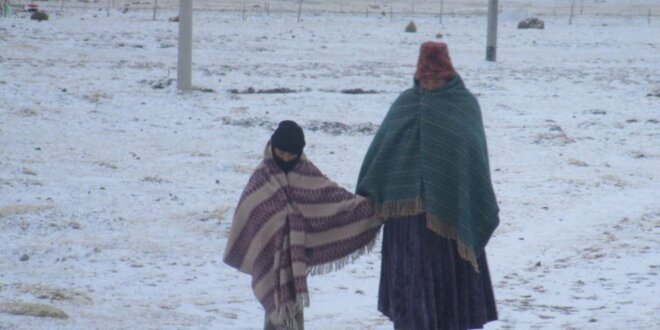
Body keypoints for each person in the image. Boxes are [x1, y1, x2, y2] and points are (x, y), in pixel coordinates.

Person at [356, 42, 500, 330]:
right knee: (412, 291)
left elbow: (473, 161)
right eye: (426, 78)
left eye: (436, 77)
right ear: (418, 76)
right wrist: (371, 191)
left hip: (450, 221)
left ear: (448, 75)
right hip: (407, 224)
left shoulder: (464, 105)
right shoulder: (405, 104)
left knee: (447, 295)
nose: (430, 84)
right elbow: (381, 152)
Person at [224, 120, 381, 330]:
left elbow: (332, 199)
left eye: (292, 154)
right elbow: (249, 211)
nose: (286, 158)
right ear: (273, 147)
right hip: (269, 256)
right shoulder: (261, 176)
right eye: (282, 152)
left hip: (296, 259)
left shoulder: (307, 172)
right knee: (275, 309)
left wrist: (369, 209)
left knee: (291, 310)